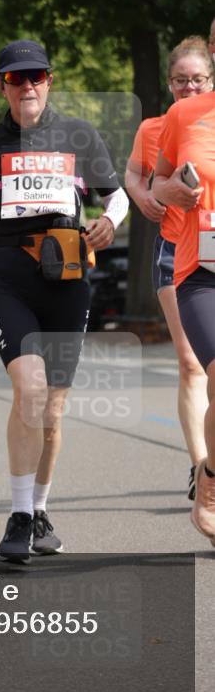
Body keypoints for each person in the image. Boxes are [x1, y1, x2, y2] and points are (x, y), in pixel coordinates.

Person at [0, 39, 129, 563]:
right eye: (15, 78)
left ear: (49, 80)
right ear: (3, 85)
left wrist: (108, 221)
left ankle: (40, 508)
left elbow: (116, 195)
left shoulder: (79, 134)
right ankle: (19, 515)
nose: (26, 86)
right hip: (9, 277)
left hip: (67, 277)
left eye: (36, 76)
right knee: (29, 390)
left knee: (52, 409)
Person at [125, 37, 213, 498]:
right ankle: (201, 466)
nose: (188, 88)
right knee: (190, 363)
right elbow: (137, 175)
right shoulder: (158, 127)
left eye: (197, 80)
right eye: (180, 80)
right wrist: (146, 196)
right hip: (176, 253)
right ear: (169, 82)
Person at [153, 88, 215, 547]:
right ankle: (209, 484)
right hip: (202, 272)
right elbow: (156, 183)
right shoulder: (184, 114)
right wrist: (170, 190)